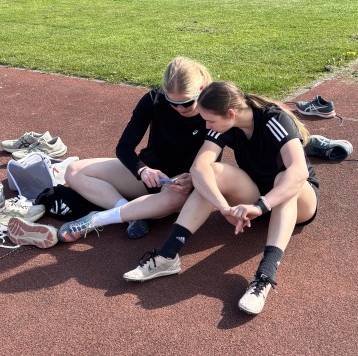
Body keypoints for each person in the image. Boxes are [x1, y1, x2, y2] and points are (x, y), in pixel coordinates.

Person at [123, 81, 319, 316]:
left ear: (231, 114)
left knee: (284, 178)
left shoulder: (274, 119)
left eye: (210, 121)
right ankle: (167, 255)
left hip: (298, 201)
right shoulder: (224, 124)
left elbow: (299, 172)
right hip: (255, 195)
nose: (206, 126)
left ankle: (264, 277)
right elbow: (199, 167)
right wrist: (223, 207)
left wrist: (261, 206)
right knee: (211, 173)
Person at [54, 57, 213, 243]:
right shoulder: (153, 99)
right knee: (73, 171)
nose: (180, 109)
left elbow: (212, 161)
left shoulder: (213, 110)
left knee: (175, 199)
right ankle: (133, 214)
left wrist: (192, 180)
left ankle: (103, 218)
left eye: (186, 103)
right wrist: (142, 169)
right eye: (172, 102)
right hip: (149, 174)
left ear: (201, 89)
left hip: (179, 185)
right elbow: (124, 147)